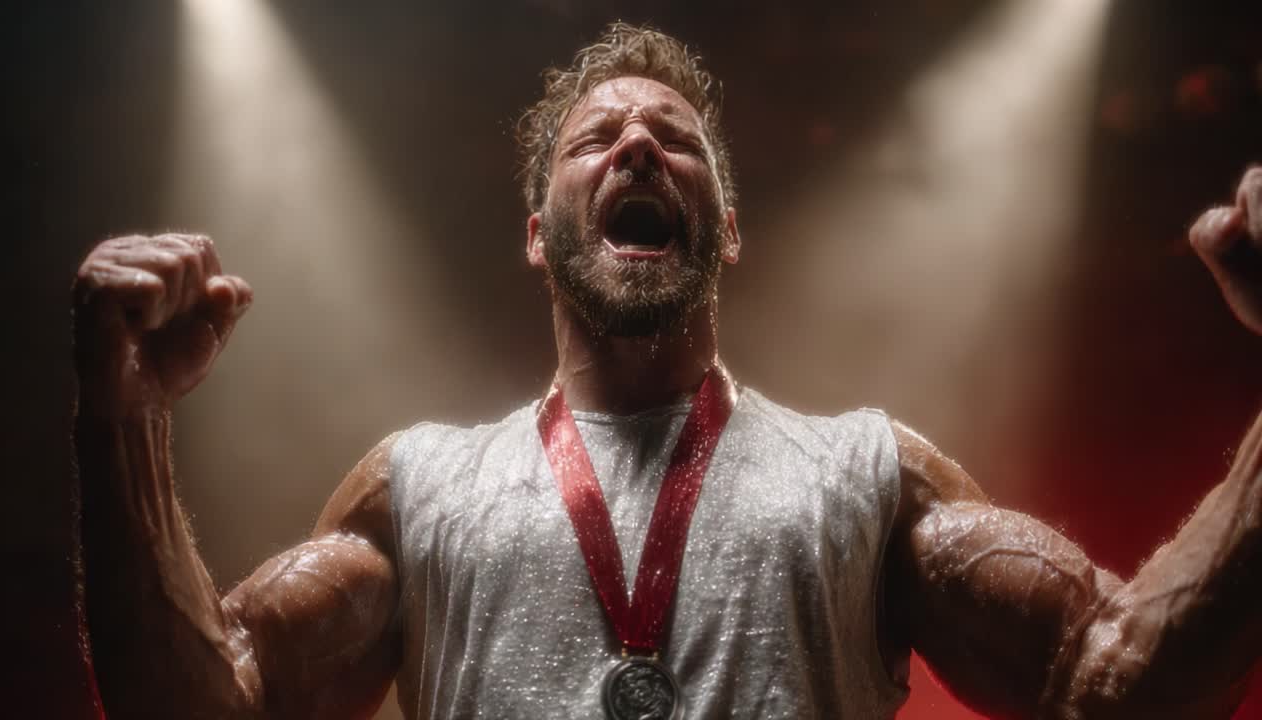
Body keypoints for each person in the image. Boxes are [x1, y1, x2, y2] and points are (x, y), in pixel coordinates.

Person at [73, 23, 1262, 720]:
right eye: (594, 140)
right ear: (537, 235)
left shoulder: (862, 473)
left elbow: (1114, 683)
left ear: (725, 231)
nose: (636, 142)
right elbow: (207, 706)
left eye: (674, 141)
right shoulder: (419, 486)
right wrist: (120, 419)